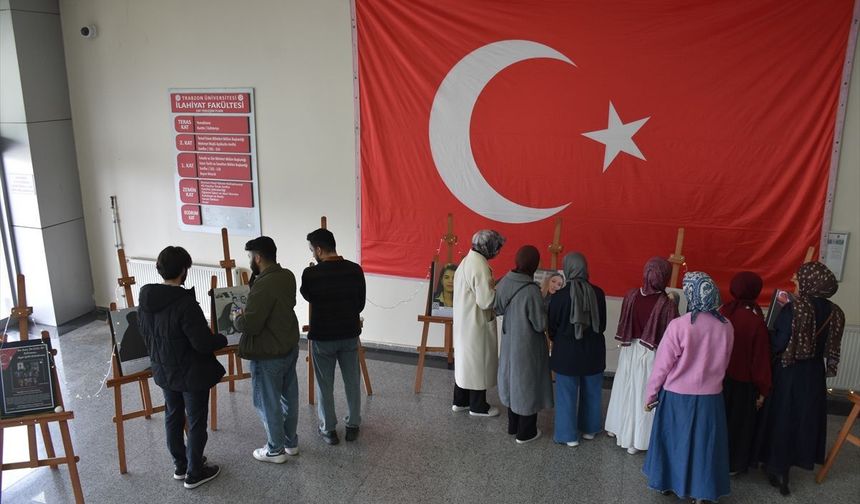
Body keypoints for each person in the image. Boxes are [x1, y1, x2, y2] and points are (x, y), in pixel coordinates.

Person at [137, 246, 226, 490]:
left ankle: (180, 464)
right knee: (196, 421)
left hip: (164, 370)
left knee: (173, 416)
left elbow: (145, 334)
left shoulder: (145, 299)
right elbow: (202, 343)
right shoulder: (185, 303)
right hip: (191, 373)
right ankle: (195, 473)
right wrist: (222, 339)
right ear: (184, 270)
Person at [643, 272, 734, 503]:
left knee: (674, 442)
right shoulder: (726, 326)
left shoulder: (679, 325)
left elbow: (662, 366)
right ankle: (701, 493)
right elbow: (725, 361)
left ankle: (668, 483)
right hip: (711, 398)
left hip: (677, 397)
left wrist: (650, 395)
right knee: (704, 447)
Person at [755, 262, 845, 496]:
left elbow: (780, 342)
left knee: (781, 416)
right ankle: (789, 466)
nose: (794, 279)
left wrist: (767, 335)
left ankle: (776, 466)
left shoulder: (795, 308)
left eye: (799, 276)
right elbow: (830, 345)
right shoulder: (835, 312)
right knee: (802, 418)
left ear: (810, 281)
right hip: (814, 374)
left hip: (789, 370)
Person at [232, 236, 301, 463]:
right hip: (288, 346)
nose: (249, 261)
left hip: (268, 353)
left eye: (250, 257)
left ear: (258, 257)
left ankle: (275, 450)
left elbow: (251, 324)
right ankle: (290, 443)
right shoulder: (287, 276)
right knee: (288, 397)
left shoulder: (264, 284)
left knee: (267, 402)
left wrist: (237, 318)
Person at [605, 257, 679, 454]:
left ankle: (617, 429)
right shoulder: (668, 304)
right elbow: (673, 335)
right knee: (642, 394)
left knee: (624, 388)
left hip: (628, 350)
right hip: (651, 353)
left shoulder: (630, 295)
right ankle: (637, 440)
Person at [300, 228, 366, 445]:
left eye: (312, 250)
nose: (312, 254)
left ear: (319, 250)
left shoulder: (310, 274)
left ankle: (328, 429)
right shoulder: (355, 270)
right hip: (349, 334)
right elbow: (360, 304)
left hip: (323, 337)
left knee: (324, 384)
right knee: (352, 381)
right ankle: (353, 425)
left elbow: (307, 296)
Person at [494, 245, 553, 444]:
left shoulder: (505, 280)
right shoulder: (531, 290)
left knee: (512, 381)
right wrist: (546, 302)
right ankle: (525, 433)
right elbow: (540, 324)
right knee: (527, 385)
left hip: (509, 341)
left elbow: (497, 307)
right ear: (534, 265)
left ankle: (513, 426)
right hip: (527, 346)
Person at [548, 252, 607, 447]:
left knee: (566, 395)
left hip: (566, 354)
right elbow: (602, 325)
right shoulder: (598, 293)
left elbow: (552, 327)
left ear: (567, 269)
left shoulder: (560, 296)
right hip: (594, 352)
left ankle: (568, 436)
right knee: (592, 392)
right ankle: (590, 429)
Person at [718, 272, 771, 476]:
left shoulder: (722, 312)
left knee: (719, 422)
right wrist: (763, 390)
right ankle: (732, 465)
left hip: (718, 379)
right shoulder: (755, 321)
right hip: (743, 383)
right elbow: (760, 360)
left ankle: (712, 459)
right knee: (738, 426)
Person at [452, 230, 505, 417]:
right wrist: (501, 291)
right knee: (478, 365)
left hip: (464, 321)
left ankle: (460, 401)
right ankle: (478, 406)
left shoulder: (466, 261)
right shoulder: (480, 266)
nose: (498, 252)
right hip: (476, 324)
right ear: (489, 248)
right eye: (497, 248)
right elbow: (486, 301)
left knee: (465, 363)